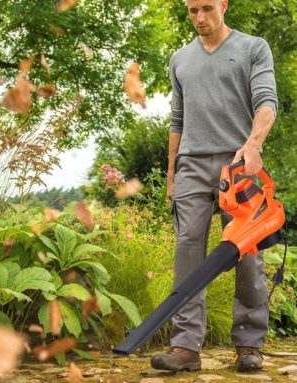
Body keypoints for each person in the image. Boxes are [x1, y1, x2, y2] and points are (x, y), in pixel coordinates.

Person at [150, 0, 278, 373]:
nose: (199, 18)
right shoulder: (180, 59)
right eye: (192, 11)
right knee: (188, 248)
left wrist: (253, 146)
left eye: (206, 8)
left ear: (224, 4)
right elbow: (177, 117)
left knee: (246, 252)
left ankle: (250, 344)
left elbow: (267, 102)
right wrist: (172, 173)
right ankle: (185, 347)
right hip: (191, 164)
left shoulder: (253, 48)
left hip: (238, 164)